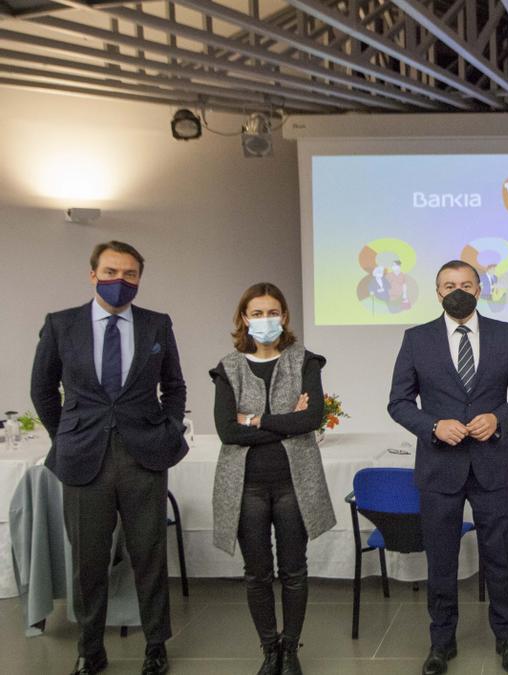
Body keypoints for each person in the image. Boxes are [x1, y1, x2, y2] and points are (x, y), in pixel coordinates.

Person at [30, 241, 188, 675]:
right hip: (84, 457)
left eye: (131, 274)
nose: (121, 281)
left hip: (143, 455)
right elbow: (42, 390)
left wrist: (168, 428)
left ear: (139, 278)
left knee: (149, 557)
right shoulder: (62, 325)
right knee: (88, 562)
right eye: (112, 271)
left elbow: (175, 386)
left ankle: (156, 645)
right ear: (93, 273)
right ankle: (90, 648)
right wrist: (64, 435)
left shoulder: (157, 324)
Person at [388, 260, 508, 675]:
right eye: (449, 284)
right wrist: (433, 426)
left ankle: (507, 638)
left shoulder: (505, 335)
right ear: (437, 292)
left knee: (500, 558)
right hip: (440, 467)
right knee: (441, 558)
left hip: (493, 464)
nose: (458, 290)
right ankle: (441, 642)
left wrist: (499, 419)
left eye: (466, 284)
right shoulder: (416, 339)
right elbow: (399, 402)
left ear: (479, 289)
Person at [210, 283, 336, 675]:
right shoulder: (228, 367)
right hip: (245, 486)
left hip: (294, 483)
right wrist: (286, 423)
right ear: (244, 319)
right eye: (258, 313)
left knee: (294, 570)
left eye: (273, 312)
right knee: (256, 572)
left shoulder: (305, 361)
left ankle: (291, 648)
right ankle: (269, 649)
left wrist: (254, 419)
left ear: (284, 317)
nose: (266, 320)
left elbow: (311, 419)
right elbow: (227, 432)